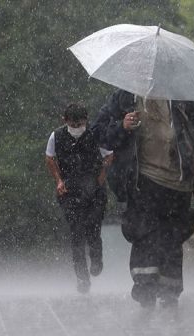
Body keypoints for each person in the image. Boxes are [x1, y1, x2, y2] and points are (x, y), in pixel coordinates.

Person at [96, 89, 194, 308]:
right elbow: (99, 133)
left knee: (172, 237)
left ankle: (170, 292)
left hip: (178, 183)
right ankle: (145, 288)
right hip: (143, 181)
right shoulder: (125, 98)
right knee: (144, 234)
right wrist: (121, 126)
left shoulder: (181, 98)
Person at [45, 103, 112, 294]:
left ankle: (96, 258)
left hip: (94, 190)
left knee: (93, 229)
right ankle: (82, 278)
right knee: (76, 234)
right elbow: (49, 158)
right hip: (69, 192)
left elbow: (109, 155)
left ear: (86, 121)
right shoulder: (56, 136)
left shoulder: (95, 134)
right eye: (73, 125)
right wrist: (58, 180)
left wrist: (102, 174)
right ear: (65, 121)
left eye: (80, 124)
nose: (77, 128)